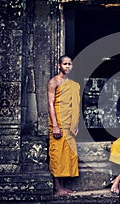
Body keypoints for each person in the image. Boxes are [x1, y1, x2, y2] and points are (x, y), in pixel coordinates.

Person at [47, 55, 80, 196]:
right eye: (65, 64)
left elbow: (75, 106)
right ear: (59, 65)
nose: (67, 66)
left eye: (70, 64)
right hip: (59, 122)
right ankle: (57, 187)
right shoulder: (54, 82)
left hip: (69, 124)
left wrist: (76, 123)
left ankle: (63, 186)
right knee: (57, 155)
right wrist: (55, 125)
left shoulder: (73, 84)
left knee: (67, 155)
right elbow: (50, 104)